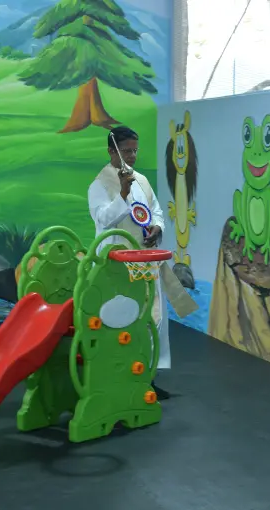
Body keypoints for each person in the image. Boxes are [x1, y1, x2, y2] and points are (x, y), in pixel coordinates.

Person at [87, 126, 171, 399]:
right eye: (126, 151)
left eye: (135, 150)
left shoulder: (142, 181)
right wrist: (122, 194)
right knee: (121, 319)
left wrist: (157, 227)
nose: (132, 156)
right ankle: (118, 378)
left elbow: (156, 211)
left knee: (151, 318)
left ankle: (147, 377)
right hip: (116, 266)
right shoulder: (99, 185)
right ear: (111, 151)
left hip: (144, 262)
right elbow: (103, 219)